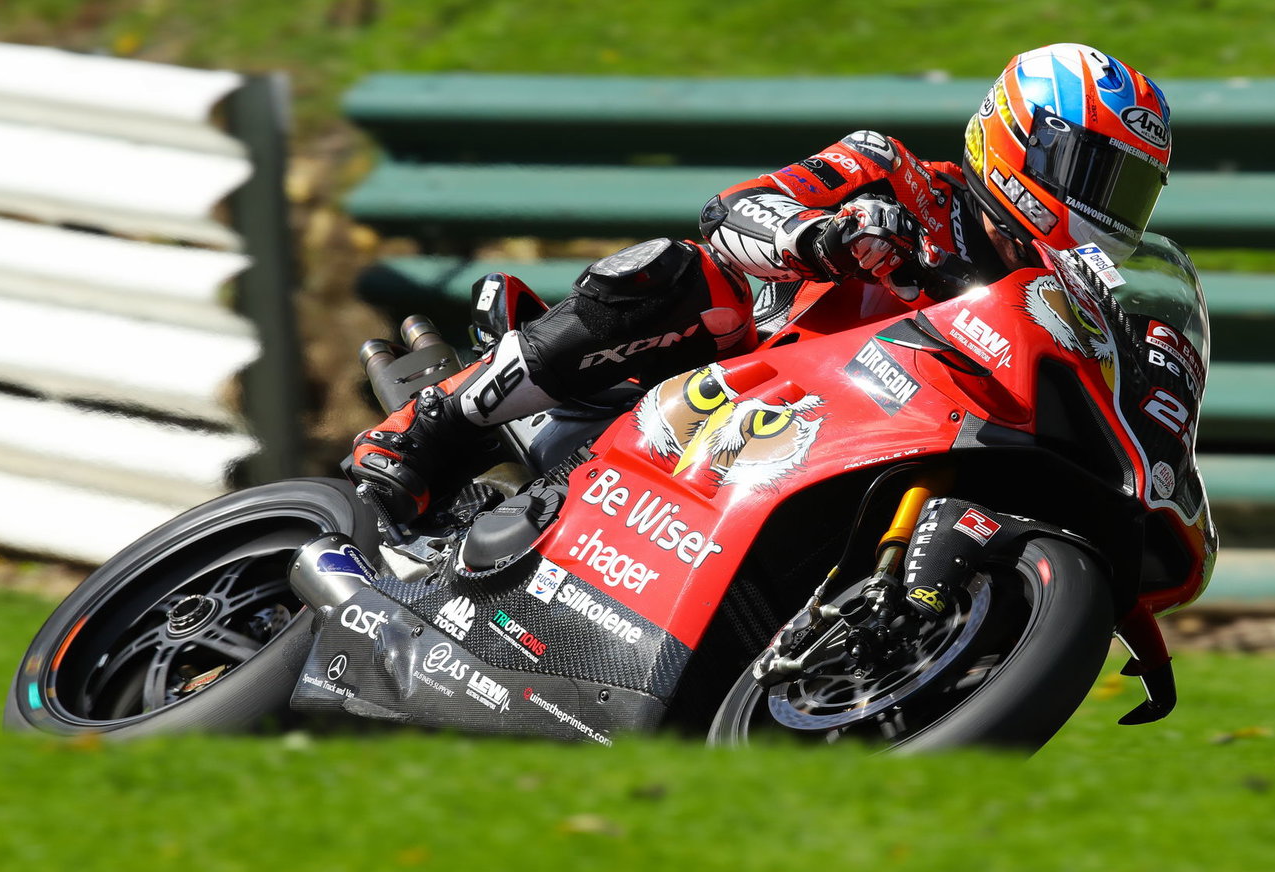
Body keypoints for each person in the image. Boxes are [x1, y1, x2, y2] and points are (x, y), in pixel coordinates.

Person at [347, 43, 1175, 521]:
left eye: (1127, 195)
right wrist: (821, 237)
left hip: (852, 461)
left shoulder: (1060, 310)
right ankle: (437, 421)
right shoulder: (896, 174)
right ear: (1020, 137)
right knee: (687, 275)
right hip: (726, 393)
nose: (1103, 211)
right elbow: (734, 211)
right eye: (1091, 176)